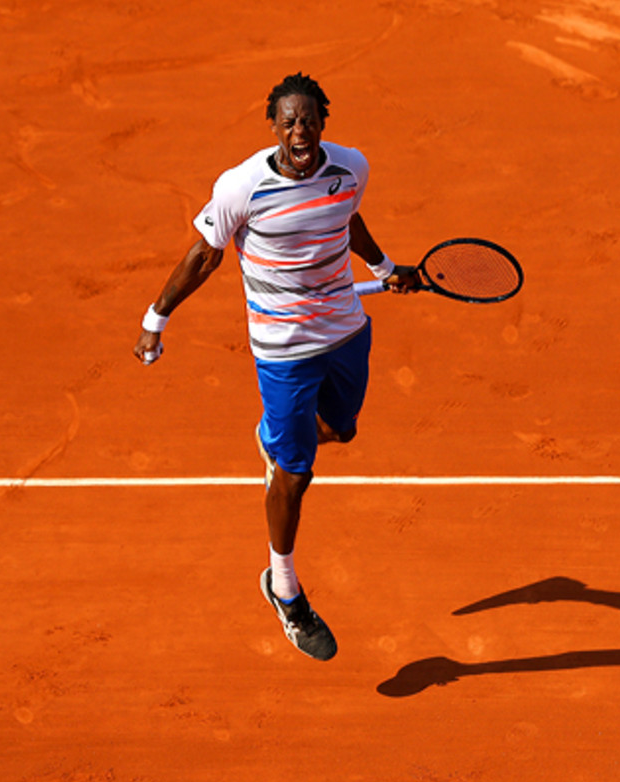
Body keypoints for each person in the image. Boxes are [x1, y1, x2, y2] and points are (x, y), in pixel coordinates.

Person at [133, 72, 418, 661]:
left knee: (341, 430)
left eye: (309, 120)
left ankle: (274, 437)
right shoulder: (242, 187)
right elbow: (204, 255)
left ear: (323, 123)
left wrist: (386, 267)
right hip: (282, 348)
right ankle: (285, 589)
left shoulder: (350, 168)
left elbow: (346, 218)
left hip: (345, 330)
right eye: (288, 121)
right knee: (295, 472)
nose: (300, 132)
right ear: (274, 127)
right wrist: (156, 317)